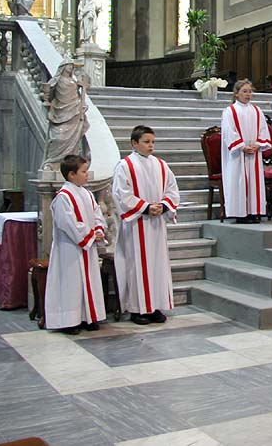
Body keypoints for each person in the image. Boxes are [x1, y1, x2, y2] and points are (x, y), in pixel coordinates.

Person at [112, 125, 179, 325]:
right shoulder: (125, 166)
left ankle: (155, 306)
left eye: (152, 142)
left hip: (156, 225)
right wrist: (145, 207)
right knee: (137, 266)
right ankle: (137, 309)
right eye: (146, 142)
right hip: (136, 224)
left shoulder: (161, 165)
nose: (151, 146)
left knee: (157, 265)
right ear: (134, 143)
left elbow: (172, 189)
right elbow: (121, 194)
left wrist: (163, 206)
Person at [44, 154, 106, 335]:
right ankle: (69, 321)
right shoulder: (63, 197)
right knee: (71, 285)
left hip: (87, 248)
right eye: (84, 172)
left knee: (88, 281)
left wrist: (99, 229)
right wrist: (91, 234)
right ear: (71, 174)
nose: (87, 175)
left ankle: (88, 317)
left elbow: (97, 214)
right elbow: (67, 223)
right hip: (69, 249)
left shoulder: (87, 193)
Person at [221, 80, 272, 224]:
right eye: (244, 91)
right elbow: (229, 131)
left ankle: (253, 212)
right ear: (236, 94)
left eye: (250, 91)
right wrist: (242, 146)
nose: (248, 94)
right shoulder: (230, 111)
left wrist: (258, 144)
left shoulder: (257, 110)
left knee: (254, 183)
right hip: (238, 155)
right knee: (239, 182)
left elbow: (263, 129)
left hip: (254, 153)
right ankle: (240, 214)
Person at [42, 61, 89, 173]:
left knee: (74, 139)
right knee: (58, 138)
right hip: (60, 112)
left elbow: (77, 96)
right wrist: (46, 100)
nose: (70, 68)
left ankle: (71, 163)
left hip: (74, 111)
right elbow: (48, 94)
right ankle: (52, 162)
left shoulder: (74, 81)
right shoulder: (56, 81)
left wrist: (82, 105)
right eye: (68, 66)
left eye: (72, 66)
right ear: (62, 67)